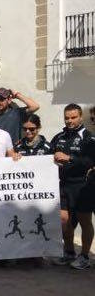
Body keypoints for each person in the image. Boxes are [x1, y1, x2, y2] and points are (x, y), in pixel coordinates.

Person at [50, 104, 95, 269]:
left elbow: (90, 161)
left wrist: (69, 158)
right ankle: (69, 253)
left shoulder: (88, 138)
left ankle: (84, 256)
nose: (69, 121)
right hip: (63, 185)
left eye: (73, 117)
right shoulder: (59, 137)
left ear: (81, 117)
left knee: (85, 221)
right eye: (67, 117)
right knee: (63, 220)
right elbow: (47, 152)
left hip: (83, 185)